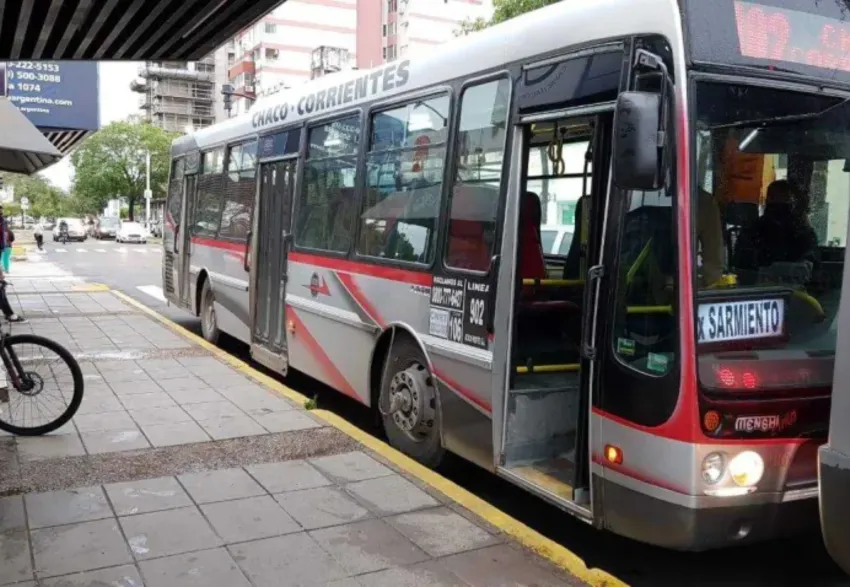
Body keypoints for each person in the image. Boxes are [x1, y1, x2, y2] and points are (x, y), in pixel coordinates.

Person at [733, 179, 818, 272]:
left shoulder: (802, 231)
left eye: (786, 199)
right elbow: (744, 264)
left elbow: (811, 259)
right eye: (776, 198)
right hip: (760, 283)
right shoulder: (753, 230)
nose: (781, 204)